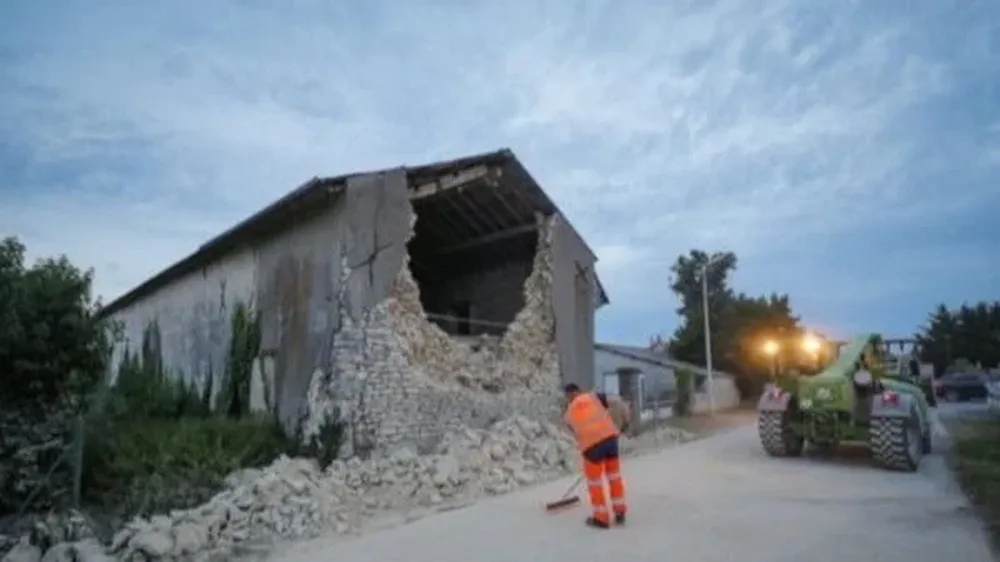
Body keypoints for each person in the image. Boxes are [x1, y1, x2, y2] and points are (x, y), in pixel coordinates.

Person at [563, 383, 628, 529]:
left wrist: (585, 449)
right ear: (579, 391)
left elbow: (575, 433)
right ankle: (620, 512)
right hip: (610, 440)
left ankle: (601, 518)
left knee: (595, 483)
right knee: (614, 477)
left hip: (591, 447)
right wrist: (624, 423)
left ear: (568, 396)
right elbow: (617, 401)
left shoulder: (568, 414)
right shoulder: (594, 397)